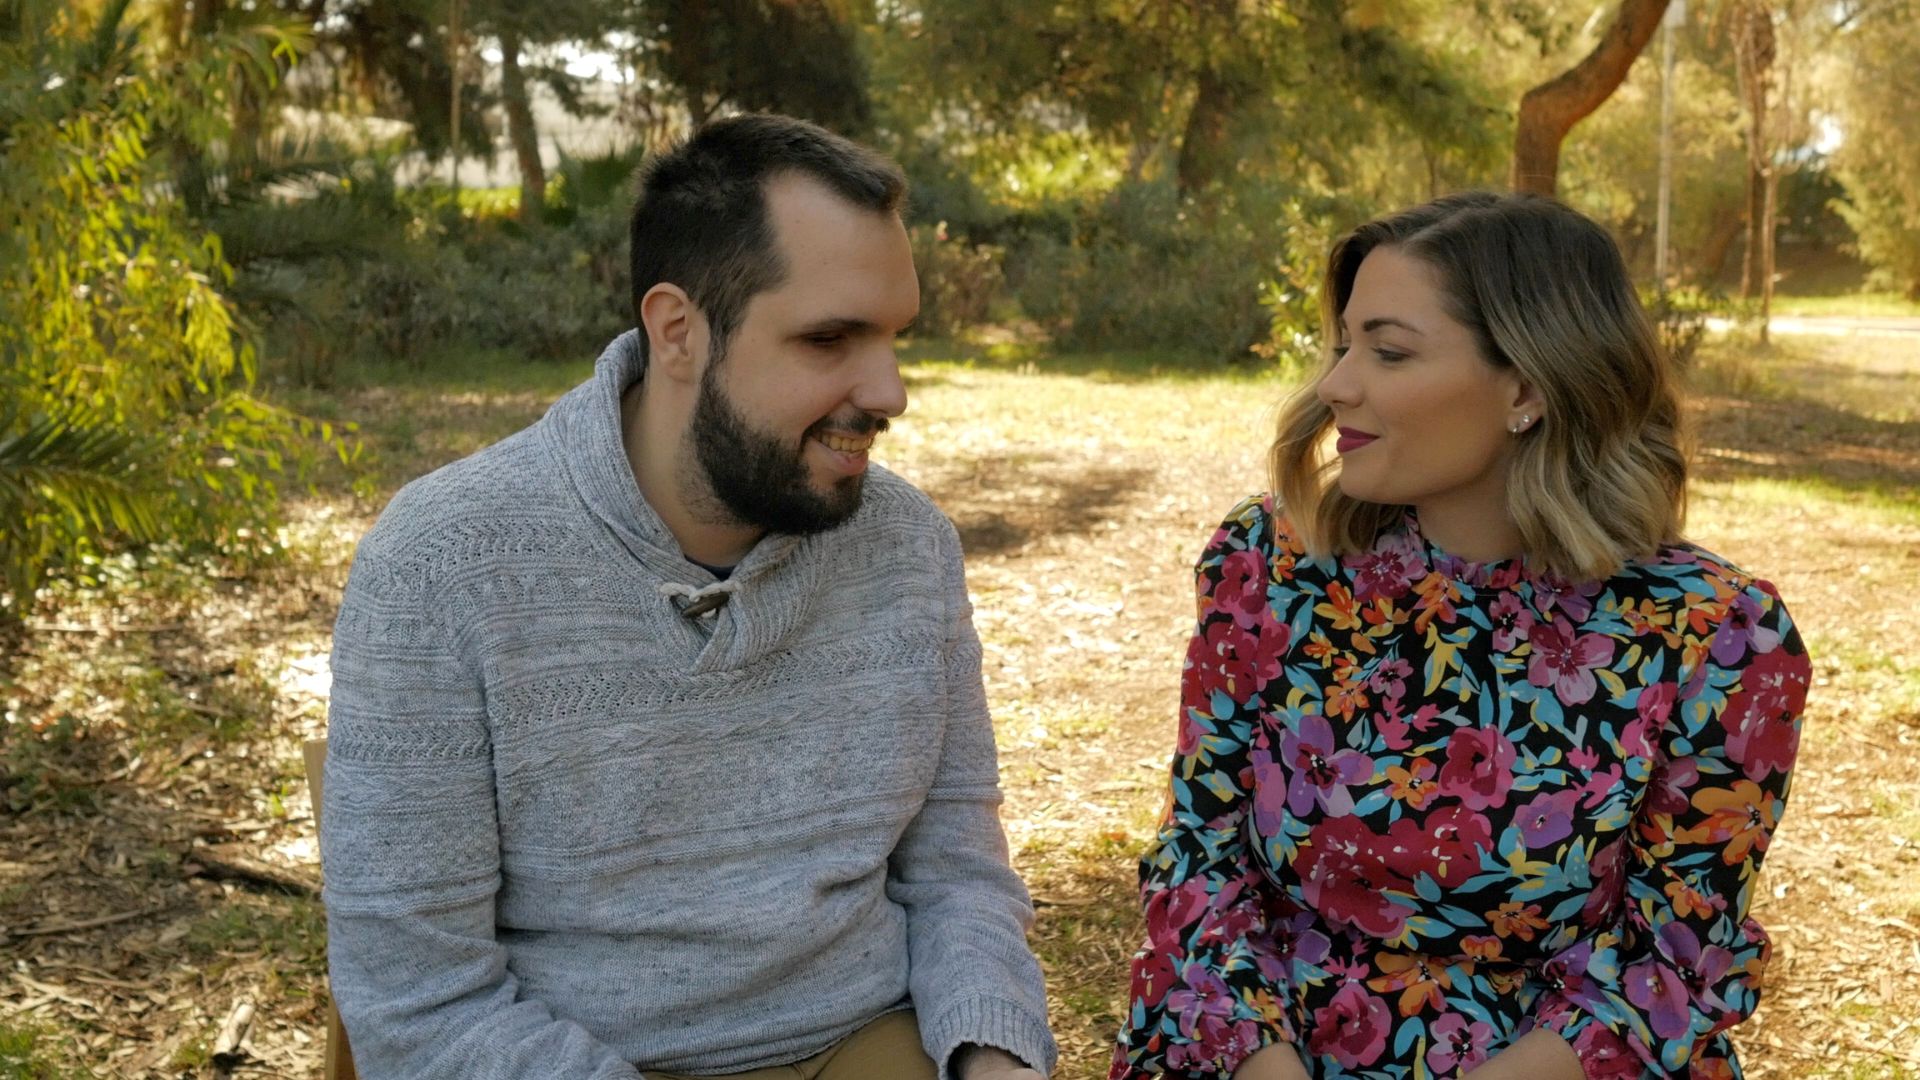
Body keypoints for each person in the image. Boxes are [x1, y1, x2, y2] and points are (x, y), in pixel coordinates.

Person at [321, 113, 1056, 1080]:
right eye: (829, 338)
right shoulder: (441, 566)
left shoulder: (907, 545)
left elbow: (959, 874)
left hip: (864, 1037)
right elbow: (421, 1002)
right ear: (678, 332)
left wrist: (995, 1055)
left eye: (892, 338)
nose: (889, 392)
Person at [1111, 192, 1810, 1080]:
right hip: (1258, 1051)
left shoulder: (1718, 637)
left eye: (1389, 351)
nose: (1335, 386)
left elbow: (1671, 960)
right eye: (1344, 345)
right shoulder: (1270, 563)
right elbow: (1199, 853)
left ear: (1527, 387)